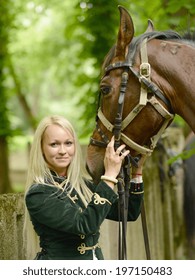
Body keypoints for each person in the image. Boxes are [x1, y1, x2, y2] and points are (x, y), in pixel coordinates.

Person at [23, 115, 145, 260]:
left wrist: (136, 173)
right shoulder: (38, 193)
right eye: (54, 144)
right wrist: (110, 175)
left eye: (68, 143)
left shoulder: (81, 185)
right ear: (41, 148)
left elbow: (128, 213)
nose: (63, 150)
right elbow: (85, 224)